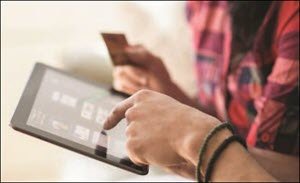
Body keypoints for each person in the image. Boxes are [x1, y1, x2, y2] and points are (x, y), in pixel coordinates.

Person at [105, 1, 299, 182]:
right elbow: (223, 125)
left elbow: (278, 169)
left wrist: (189, 138)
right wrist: (168, 94)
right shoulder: (203, 7)